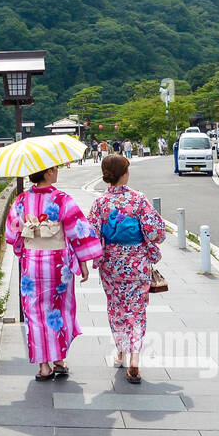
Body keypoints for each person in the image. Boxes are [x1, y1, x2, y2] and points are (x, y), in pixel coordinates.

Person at [4, 165, 103, 381]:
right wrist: (83, 261)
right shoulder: (61, 199)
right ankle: (59, 358)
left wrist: (29, 236)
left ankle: (44, 367)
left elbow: (12, 233)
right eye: (55, 168)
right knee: (59, 309)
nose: (57, 171)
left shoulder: (21, 200)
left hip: (32, 264)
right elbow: (78, 232)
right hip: (58, 264)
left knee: (35, 313)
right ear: (48, 172)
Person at [87, 155, 166, 384]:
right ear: (124, 173)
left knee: (116, 309)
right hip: (137, 264)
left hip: (111, 266)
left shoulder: (100, 203)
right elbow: (157, 233)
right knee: (137, 311)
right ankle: (134, 359)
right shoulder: (138, 200)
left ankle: (121, 352)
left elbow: (91, 234)